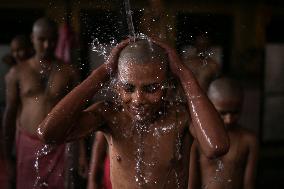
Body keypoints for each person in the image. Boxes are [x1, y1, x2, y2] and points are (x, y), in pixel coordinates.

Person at [37, 39, 229, 189]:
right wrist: (102, 72)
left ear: (168, 85)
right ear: (116, 86)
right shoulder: (110, 115)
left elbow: (216, 146)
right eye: (128, 88)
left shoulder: (180, 117)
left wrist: (182, 72)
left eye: (151, 88)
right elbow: (48, 133)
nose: (138, 99)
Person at [2, 17, 80, 189]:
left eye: (52, 40)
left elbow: (77, 115)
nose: (47, 45)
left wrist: (80, 155)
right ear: (32, 38)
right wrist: (6, 157)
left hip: (59, 145)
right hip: (27, 144)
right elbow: (10, 114)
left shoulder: (69, 71)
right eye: (42, 40)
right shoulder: (17, 72)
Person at [189, 77, 259, 189]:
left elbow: (249, 184)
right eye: (223, 113)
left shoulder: (248, 140)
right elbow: (191, 183)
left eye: (235, 112)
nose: (229, 119)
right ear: (210, 107)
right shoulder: (197, 138)